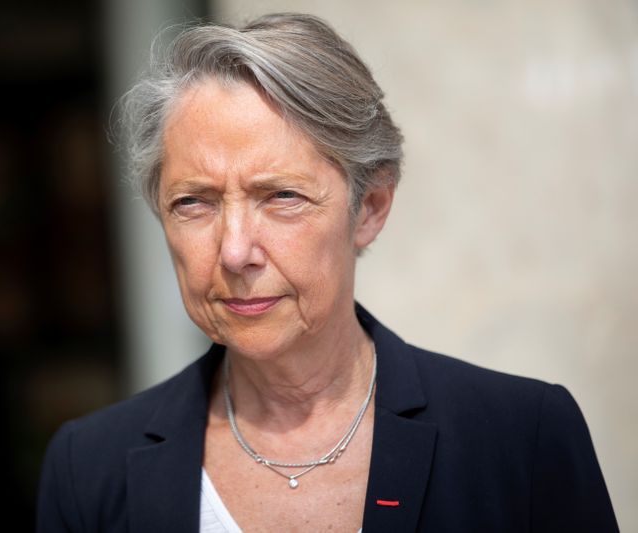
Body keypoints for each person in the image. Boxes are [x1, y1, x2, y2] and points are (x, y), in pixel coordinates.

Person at [37, 13, 618, 532]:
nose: (235, 251)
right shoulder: (90, 468)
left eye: (282, 196)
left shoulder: (519, 440)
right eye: (195, 202)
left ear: (369, 208)